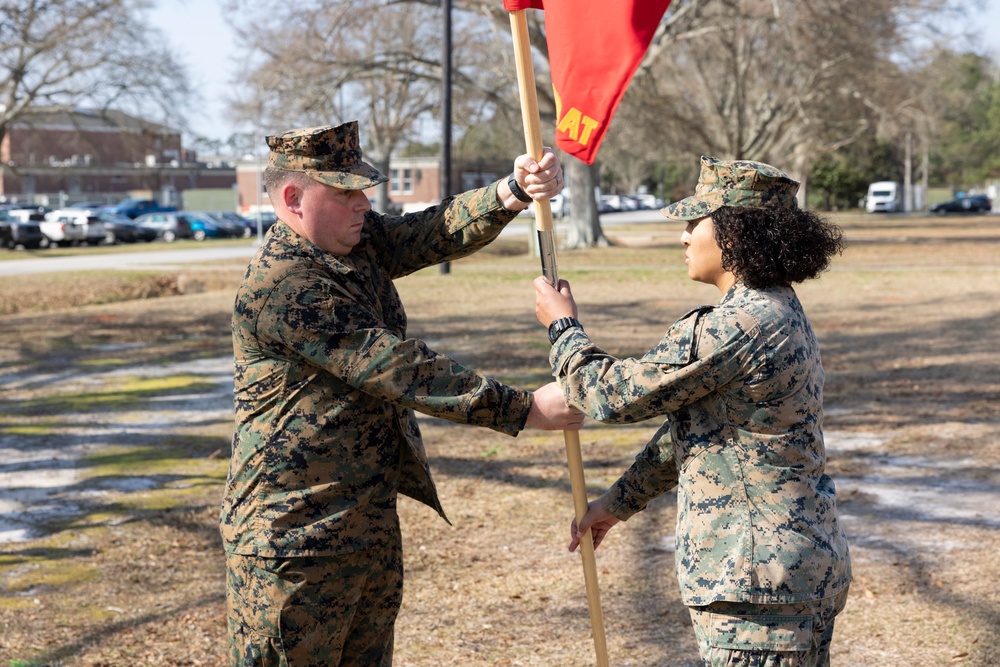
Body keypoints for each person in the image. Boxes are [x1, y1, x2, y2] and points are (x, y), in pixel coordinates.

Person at [221, 120, 582, 667]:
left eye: (364, 189)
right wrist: (524, 408)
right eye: (346, 192)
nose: (364, 204)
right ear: (293, 198)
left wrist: (511, 192)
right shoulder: (283, 285)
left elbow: (431, 232)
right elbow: (395, 366)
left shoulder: (354, 247)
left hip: (362, 526)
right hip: (293, 543)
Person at [534, 156, 852, 667]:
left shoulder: (737, 324)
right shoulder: (775, 306)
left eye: (693, 222)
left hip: (756, 592)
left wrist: (562, 328)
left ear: (733, 232)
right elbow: (699, 433)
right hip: (786, 576)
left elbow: (610, 396)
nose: (683, 237)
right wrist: (616, 504)